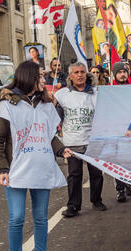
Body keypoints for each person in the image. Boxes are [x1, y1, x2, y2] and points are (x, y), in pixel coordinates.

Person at [0, 60, 73, 251]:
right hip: (16, 170)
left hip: (41, 168)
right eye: (40, 76)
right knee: (16, 218)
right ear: (29, 77)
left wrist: (60, 149)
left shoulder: (46, 103)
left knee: (40, 217)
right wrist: (1, 168)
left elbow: (49, 135)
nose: (44, 80)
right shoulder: (7, 104)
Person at [55, 62, 107, 218]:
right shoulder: (62, 94)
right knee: (74, 175)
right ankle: (73, 206)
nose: (79, 75)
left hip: (93, 140)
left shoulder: (97, 94)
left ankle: (96, 200)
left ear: (87, 74)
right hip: (72, 142)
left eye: (82, 72)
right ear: (70, 76)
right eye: (76, 72)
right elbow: (55, 116)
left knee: (96, 173)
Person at [111, 62, 131, 202]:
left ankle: (128, 182)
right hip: (115, 131)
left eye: (125, 72)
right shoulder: (110, 90)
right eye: (119, 72)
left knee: (129, 159)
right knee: (117, 161)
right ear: (115, 74)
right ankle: (120, 189)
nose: (122, 74)